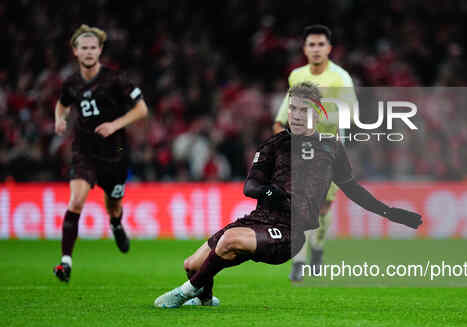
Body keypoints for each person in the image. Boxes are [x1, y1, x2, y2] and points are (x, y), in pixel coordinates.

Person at [154, 82, 421, 308]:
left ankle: (183, 294)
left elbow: (353, 189)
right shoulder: (274, 144)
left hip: (288, 231)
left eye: (302, 110)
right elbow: (251, 187)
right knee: (192, 265)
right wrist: (275, 193)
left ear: (317, 113)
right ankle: (205, 299)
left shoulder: (330, 148)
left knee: (228, 241)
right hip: (258, 219)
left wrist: (391, 213)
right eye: (292, 108)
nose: (294, 114)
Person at [52, 25, 148, 283]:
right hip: (84, 152)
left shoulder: (115, 79)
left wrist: (115, 125)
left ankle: (116, 224)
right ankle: (65, 262)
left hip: (114, 154)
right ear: (75, 51)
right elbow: (61, 105)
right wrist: (59, 120)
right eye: (84, 47)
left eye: (93, 47)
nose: (88, 52)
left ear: (100, 50)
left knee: (114, 205)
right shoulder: (71, 83)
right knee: (76, 201)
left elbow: (142, 109)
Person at [273, 25, 358, 281]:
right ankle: (298, 262)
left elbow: (351, 113)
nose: (316, 49)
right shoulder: (296, 76)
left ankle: (318, 250)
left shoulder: (340, 78)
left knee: (322, 209)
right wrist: (280, 128)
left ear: (329, 48)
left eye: (321, 45)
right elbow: (287, 109)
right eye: (312, 45)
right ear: (305, 49)